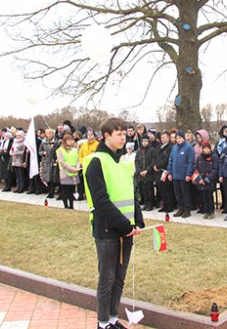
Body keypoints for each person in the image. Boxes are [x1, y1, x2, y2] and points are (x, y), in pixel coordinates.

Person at [82, 117, 144, 329]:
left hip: (126, 230)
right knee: (107, 279)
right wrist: (125, 226)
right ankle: (102, 323)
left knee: (119, 278)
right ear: (106, 136)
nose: (123, 137)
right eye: (118, 134)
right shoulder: (95, 162)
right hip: (108, 230)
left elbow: (131, 193)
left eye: (124, 134)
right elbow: (101, 201)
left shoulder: (123, 162)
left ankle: (113, 319)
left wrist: (138, 220)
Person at [167, 130, 195, 218]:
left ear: (183, 138)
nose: (178, 140)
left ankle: (187, 209)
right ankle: (180, 208)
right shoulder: (174, 148)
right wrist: (169, 172)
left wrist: (188, 174)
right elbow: (171, 160)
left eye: (180, 138)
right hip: (175, 174)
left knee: (185, 192)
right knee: (178, 193)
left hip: (184, 175)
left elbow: (191, 162)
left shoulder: (189, 147)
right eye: (177, 138)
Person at [195, 141, 219, 219]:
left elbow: (215, 170)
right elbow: (196, 169)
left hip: (210, 181)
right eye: (204, 148)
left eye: (208, 148)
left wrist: (207, 179)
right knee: (203, 197)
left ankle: (211, 211)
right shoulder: (199, 158)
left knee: (209, 196)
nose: (206, 150)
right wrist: (199, 179)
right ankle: (206, 211)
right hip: (201, 180)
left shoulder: (214, 157)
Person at [56, 132, 80, 208]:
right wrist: (71, 169)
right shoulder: (60, 150)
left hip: (74, 173)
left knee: (72, 191)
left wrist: (77, 167)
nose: (70, 142)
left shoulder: (75, 150)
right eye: (68, 140)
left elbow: (78, 159)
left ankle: (71, 206)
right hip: (65, 172)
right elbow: (62, 161)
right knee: (65, 191)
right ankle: (66, 205)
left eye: (71, 140)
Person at [154, 131, 175, 213]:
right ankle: (165, 205)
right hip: (158, 171)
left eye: (164, 137)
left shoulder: (170, 147)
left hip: (165, 170)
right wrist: (155, 165)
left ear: (168, 138)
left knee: (167, 189)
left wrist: (159, 166)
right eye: (161, 138)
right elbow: (155, 157)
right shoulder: (159, 147)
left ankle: (170, 206)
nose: (162, 139)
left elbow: (166, 159)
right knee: (161, 189)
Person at [39, 128, 59, 198]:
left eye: (50, 133)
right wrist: (43, 153)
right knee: (46, 177)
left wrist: (56, 159)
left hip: (52, 162)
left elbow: (57, 152)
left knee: (52, 177)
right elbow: (39, 152)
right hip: (45, 162)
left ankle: (51, 192)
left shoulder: (55, 143)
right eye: (48, 133)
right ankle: (48, 190)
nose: (49, 135)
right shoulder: (43, 142)